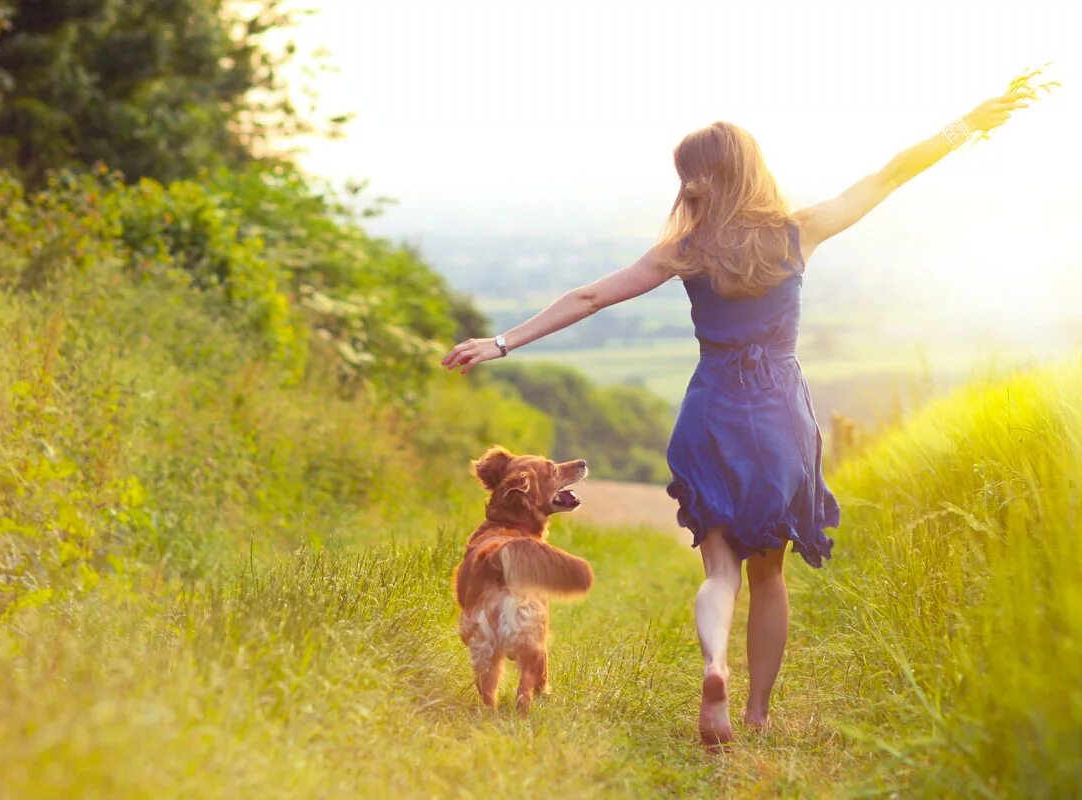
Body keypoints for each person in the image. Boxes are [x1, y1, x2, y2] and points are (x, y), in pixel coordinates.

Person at [441, 74, 1041, 749]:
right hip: (779, 417)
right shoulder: (799, 230)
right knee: (771, 574)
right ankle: (755, 713)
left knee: (720, 570)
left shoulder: (687, 249)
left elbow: (589, 298)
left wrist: (499, 342)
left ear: (696, 180)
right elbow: (890, 175)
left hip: (712, 414)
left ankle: (714, 667)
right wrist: (969, 123)